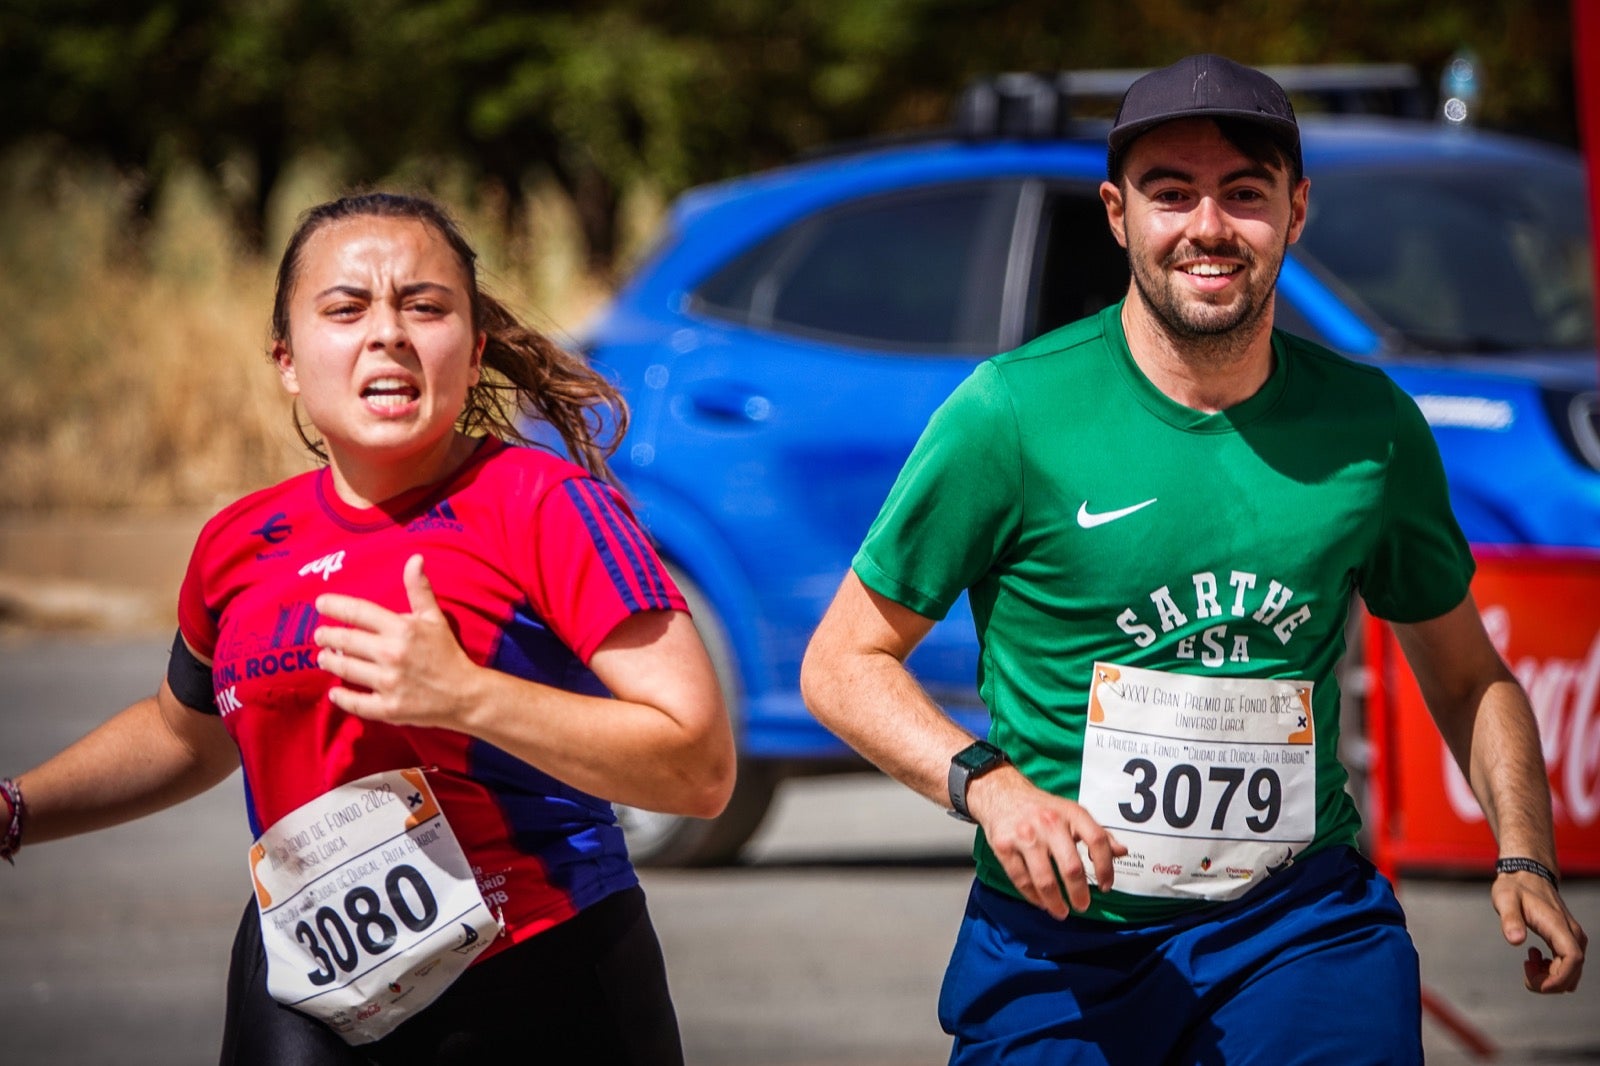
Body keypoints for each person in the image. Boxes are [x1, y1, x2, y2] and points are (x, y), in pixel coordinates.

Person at [800, 54, 1586, 1064]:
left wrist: (1523, 853)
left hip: (1298, 928)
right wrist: (991, 787)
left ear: (1296, 212)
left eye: (1243, 194)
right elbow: (841, 662)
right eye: (1170, 193)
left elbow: (1470, 674)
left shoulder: (1370, 428)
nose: (1207, 226)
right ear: (1116, 214)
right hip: (1061, 943)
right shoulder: (1009, 415)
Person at [0, 191, 735, 1064]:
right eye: (345, 309)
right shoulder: (238, 545)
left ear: (474, 353)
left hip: (543, 970)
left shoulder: (546, 506)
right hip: (310, 986)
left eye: (424, 307)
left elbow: (698, 765)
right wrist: (14, 810)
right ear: (287, 360)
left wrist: (467, 696)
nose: (387, 332)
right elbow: (182, 733)